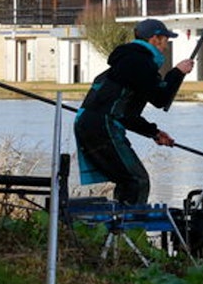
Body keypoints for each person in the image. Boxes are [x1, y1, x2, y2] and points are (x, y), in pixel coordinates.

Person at [74, 18, 194, 205]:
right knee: (136, 181)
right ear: (155, 39)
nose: (166, 46)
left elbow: (127, 115)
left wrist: (153, 133)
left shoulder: (129, 60)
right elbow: (160, 99)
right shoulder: (139, 61)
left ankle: (119, 228)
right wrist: (177, 72)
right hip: (101, 126)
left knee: (128, 180)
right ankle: (130, 230)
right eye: (165, 41)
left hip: (90, 124)